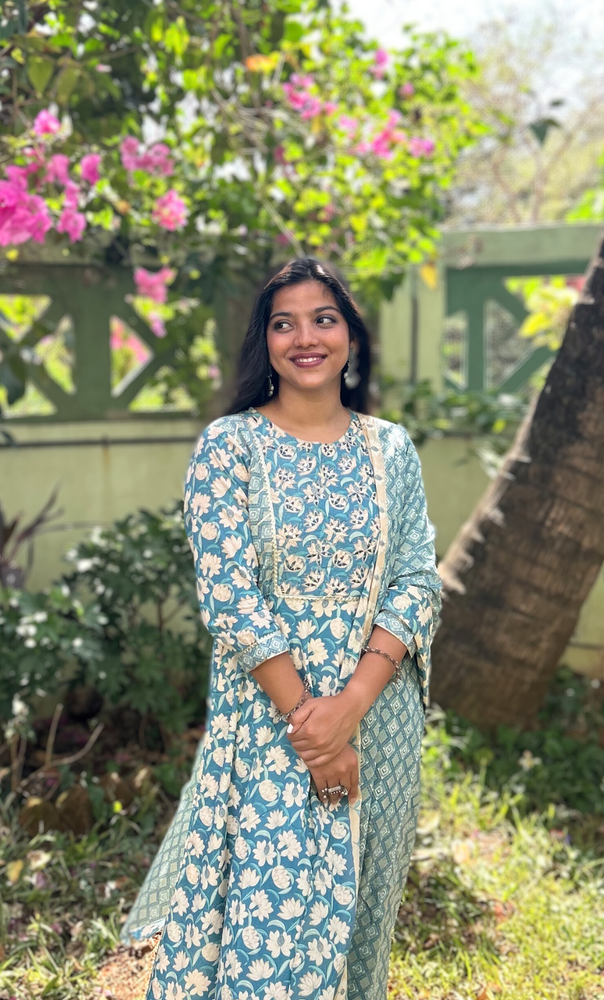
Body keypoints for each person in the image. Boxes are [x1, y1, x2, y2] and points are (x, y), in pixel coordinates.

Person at [122, 258, 442, 1000]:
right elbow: (230, 596)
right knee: (266, 929)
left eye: (323, 318)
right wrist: (311, 725)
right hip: (269, 724)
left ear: (351, 338)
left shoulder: (389, 449)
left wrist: (349, 711)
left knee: (355, 923)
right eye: (284, 322)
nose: (305, 337)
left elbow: (419, 578)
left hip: (376, 716)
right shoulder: (229, 447)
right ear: (264, 342)